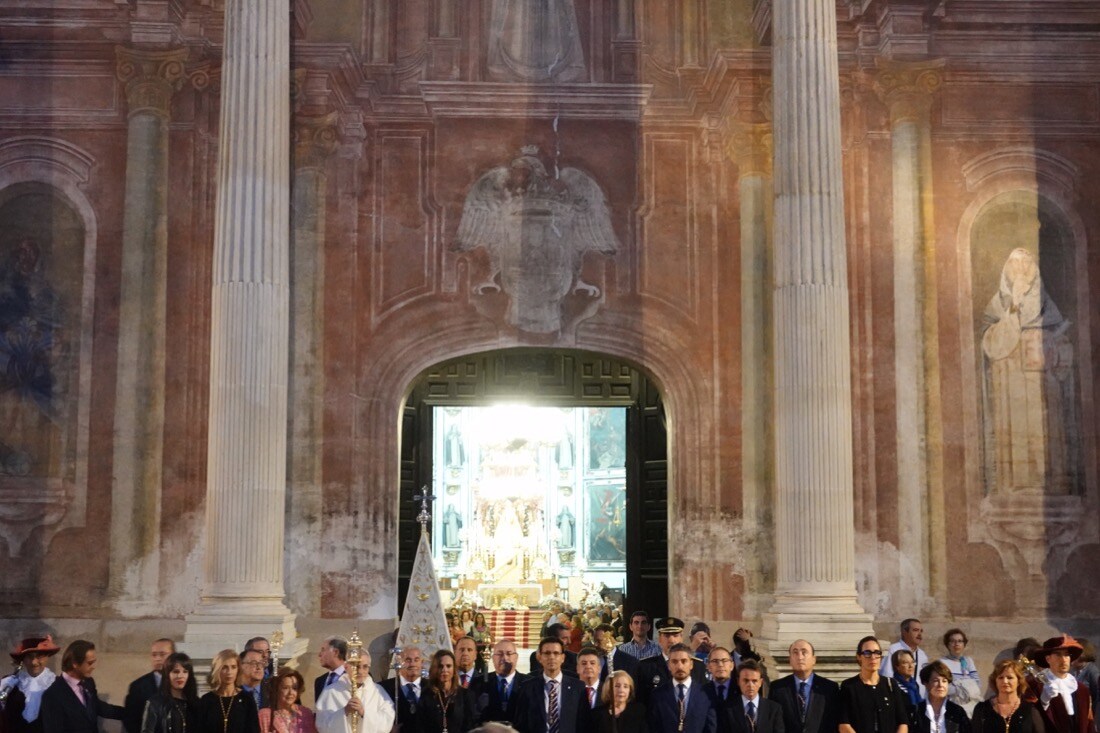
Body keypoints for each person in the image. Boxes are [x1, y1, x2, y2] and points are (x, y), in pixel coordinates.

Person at [40, 639, 125, 733]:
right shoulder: (52, 696)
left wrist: (132, 712)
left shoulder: (88, 682)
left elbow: (97, 706)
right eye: (89, 663)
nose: (93, 666)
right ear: (75, 664)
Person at [511, 636, 584, 733]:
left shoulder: (578, 687)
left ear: (563, 658)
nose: (551, 657)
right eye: (547, 653)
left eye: (556, 653)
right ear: (540, 657)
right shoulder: (527, 687)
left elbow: (584, 723)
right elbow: (520, 724)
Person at [838, 636, 910, 733]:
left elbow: (903, 722)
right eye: (867, 653)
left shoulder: (890, 684)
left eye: (877, 653)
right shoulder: (849, 686)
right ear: (859, 657)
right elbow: (844, 724)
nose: (873, 657)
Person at [1026, 635, 1095, 733]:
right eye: (1058, 654)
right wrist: (1044, 701)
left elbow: (1089, 724)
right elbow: (1028, 720)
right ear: (1048, 659)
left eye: (1067, 655)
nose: (1063, 660)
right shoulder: (1034, 685)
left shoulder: (1081, 689)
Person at [768, 639, 840, 733]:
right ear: (790, 660)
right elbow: (772, 723)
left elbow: (834, 723)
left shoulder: (829, 688)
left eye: (804, 652)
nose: (800, 657)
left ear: (814, 659)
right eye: (795, 653)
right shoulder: (777, 688)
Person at [645, 643, 717, 733]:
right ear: (668, 665)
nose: (679, 666)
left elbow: (711, 728)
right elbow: (653, 727)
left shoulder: (706, 694)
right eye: (674, 662)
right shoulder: (657, 695)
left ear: (691, 664)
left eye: (684, 661)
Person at [634, 617, 707, 705]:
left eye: (675, 635)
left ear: (681, 638)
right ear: (659, 639)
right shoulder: (646, 667)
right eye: (667, 636)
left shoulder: (698, 666)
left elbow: (703, 699)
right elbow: (641, 701)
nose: (671, 640)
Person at [1, 635, 60, 733]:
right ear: (23, 659)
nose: (34, 662)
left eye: (39, 656)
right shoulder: (11, 684)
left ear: (48, 656)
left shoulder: (58, 685)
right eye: (29, 657)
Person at [196, 648, 260, 733]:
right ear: (218, 670)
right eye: (224, 667)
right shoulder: (207, 700)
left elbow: (253, 729)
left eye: (233, 667)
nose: (229, 672)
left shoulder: (246, 699)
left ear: (238, 670)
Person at [972, 660, 1045, 733]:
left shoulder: (1030, 710)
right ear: (995, 681)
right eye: (1000, 677)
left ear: (1019, 681)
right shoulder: (982, 709)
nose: (1005, 681)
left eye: (1009, 677)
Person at [415, 649, 476, 733]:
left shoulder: (465, 695)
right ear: (435, 669)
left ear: (454, 669)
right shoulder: (426, 694)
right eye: (440, 666)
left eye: (448, 666)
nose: (444, 670)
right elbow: (420, 726)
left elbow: (470, 726)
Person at [471, 639, 527, 726]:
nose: (504, 658)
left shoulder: (529, 683)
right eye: (500, 654)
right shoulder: (478, 683)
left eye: (509, 653)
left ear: (516, 657)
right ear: (493, 658)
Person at [125, 639, 176, 733]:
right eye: (154, 655)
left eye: (162, 654)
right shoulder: (137, 686)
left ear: (173, 656)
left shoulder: (182, 683)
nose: (157, 658)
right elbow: (131, 721)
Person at [141, 652, 199, 733]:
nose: (180, 676)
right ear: (167, 675)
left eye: (185, 671)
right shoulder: (155, 703)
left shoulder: (196, 702)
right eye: (176, 671)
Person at [338, 653, 395, 733]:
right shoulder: (331, 692)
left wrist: (364, 712)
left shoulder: (378, 692)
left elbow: (387, 721)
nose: (360, 671)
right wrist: (344, 711)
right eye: (356, 666)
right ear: (346, 667)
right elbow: (323, 724)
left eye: (365, 667)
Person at [912, 662, 971, 733]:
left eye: (944, 681)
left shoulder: (958, 712)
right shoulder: (916, 712)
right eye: (936, 681)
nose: (940, 685)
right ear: (926, 683)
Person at [728, 659, 781, 733]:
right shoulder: (727, 709)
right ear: (738, 681)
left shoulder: (774, 709)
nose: (750, 685)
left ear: (761, 682)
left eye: (754, 681)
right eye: (746, 680)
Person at [378, 647, 423, 731]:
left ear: (422, 663)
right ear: (399, 662)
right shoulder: (384, 688)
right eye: (408, 660)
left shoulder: (432, 687)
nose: (413, 664)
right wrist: (386, 729)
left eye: (416, 660)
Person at [940, 629, 982, 716]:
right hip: (951, 706)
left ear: (964, 644)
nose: (956, 644)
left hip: (970, 707)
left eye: (960, 641)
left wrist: (959, 685)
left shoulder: (968, 661)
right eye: (953, 641)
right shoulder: (942, 662)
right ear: (948, 644)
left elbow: (977, 684)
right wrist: (966, 685)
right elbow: (945, 688)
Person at [882, 620, 930, 696]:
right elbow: (887, 676)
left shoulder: (922, 655)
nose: (920, 634)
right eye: (915, 630)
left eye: (921, 631)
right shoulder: (893, 650)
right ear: (904, 632)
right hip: (900, 698)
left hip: (919, 700)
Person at [1071, 640, 1099, 733]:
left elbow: (1097, 698)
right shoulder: (1074, 671)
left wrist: (1093, 717)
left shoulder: (1092, 672)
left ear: (1082, 655)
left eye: (1073, 655)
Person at [313, 638, 349, 704]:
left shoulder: (355, 676)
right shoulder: (319, 681)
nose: (319, 655)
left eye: (323, 650)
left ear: (335, 652)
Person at [576, 647, 603, 730]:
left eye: (592, 663)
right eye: (584, 663)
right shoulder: (570, 692)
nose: (588, 666)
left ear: (599, 668)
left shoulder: (609, 690)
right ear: (577, 668)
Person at [892, 650, 922, 719]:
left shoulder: (914, 684)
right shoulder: (893, 685)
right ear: (897, 666)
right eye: (905, 663)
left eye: (912, 662)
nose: (911, 666)